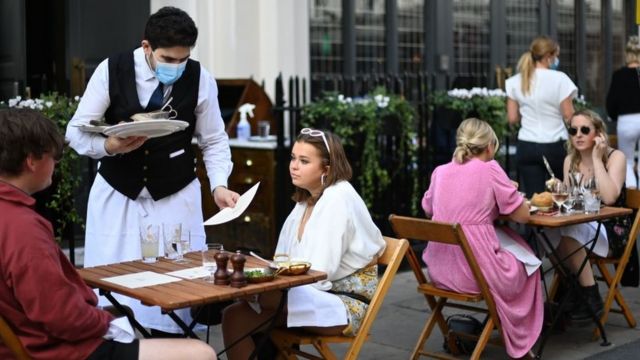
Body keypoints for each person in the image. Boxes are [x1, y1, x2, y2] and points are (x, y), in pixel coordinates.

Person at [65, 6, 239, 335]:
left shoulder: (201, 78)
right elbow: (75, 132)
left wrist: (219, 185)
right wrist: (108, 147)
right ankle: (118, 347)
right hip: (118, 195)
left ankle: (174, 346)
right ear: (147, 47)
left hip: (175, 195)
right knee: (114, 286)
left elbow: (214, 140)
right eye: (167, 59)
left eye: (182, 59)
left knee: (178, 285)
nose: (176, 66)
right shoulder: (110, 70)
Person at [0, 108, 216, 360]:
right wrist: (104, 322)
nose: (56, 163)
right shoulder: (22, 228)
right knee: (200, 353)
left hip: (29, 341)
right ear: (32, 161)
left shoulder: (12, 217)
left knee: (124, 316)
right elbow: (59, 315)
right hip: (58, 350)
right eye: (54, 155)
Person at [220, 129, 386, 360]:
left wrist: (263, 285)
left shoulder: (338, 198)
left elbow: (319, 271)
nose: (294, 166)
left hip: (344, 304)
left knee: (257, 295)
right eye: (293, 158)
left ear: (326, 169)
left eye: (304, 161)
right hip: (309, 293)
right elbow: (282, 259)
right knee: (234, 315)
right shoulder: (306, 199)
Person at [422, 118, 542, 359]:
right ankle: (518, 331)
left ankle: (501, 324)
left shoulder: (440, 172)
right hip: (475, 273)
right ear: (489, 146)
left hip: (439, 271)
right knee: (530, 263)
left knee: (512, 248)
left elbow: (428, 208)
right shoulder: (490, 169)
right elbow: (523, 217)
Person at [544, 110, 626, 321]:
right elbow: (570, 204)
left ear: (598, 133)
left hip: (611, 231)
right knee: (545, 233)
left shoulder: (615, 157)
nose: (578, 134)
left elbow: (609, 198)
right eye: (573, 130)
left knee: (569, 230)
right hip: (582, 225)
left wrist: (598, 160)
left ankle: (591, 296)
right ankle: (574, 290)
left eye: (585, 130)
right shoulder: (570, 160)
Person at [506, 35, 578, 197]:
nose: (557, 59)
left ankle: (536, 223)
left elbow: (512, 118)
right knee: (562, 196)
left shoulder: (515, 81)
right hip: (555, 144)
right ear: (548, 57)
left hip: (527, 144)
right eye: (556, 55)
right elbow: (569, 115)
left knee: (535, 199)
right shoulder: (560, 79)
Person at [606, 35, 640, 188]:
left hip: (626, 121)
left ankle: (633, 200)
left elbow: (611, 103)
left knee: (627, 161)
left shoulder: (618, 75)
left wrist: (614, 116)